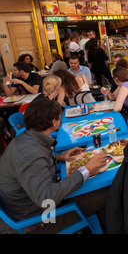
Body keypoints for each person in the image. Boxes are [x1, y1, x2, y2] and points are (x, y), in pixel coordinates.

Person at [0, 98, 108, 233]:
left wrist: (58, 158)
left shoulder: (26, 139)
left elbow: (37, 168)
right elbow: (47, 198)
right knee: (108, 191)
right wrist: (86, 169)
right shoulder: (29, 154)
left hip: (31, 207)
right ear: (54, 122)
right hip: (41, 221)